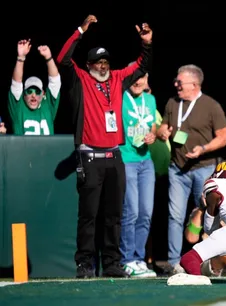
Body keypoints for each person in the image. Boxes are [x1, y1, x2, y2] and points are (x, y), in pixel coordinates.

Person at [57, 14, 152, 278]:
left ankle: (111, 263)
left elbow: (142, 67)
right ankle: (85, 264)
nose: (102, 65)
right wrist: (80, 30)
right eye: (97, 62)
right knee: (88, 216)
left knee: (114, 215)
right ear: (88, 65)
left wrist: (146, 44)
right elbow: (62, 58)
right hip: (89, 156)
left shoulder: (118, 79)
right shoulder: (81, 79)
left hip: (114, 157)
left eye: (105, 61)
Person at [156, 64, 226, 274]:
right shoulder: (172, 102)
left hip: (203, 168)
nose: (176, 85)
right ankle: (174, 263)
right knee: (175, 216)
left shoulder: (211, 106)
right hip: (177, 169)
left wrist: (203, 149)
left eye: (180, 82)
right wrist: (162, 133)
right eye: (176, 82)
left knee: (209, 215)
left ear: (195, 84)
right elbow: (164, 126)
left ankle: (209, 261)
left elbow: (223, 138)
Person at [119, 71, 157, 277]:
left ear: (147, 79)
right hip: (126, 159)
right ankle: (126, 259)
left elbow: (152, 125)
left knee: (145, 213)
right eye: (133, 79)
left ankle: (138, 258)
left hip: (146, 160)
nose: (137, 82)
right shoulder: (120, 97)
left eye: (141, 78)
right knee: (131, 211)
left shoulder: (150, 99)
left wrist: (152, 134)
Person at [9, 39, 61, 135]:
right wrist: (21, 57)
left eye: (37, 92)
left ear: (43, 94)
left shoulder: (48, 106)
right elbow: (16, 83)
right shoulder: (18, 107)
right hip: (23, 150)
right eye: (29, 91)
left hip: (47, 150)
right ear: (23, 94)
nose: (33, 95)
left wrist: (49, 58)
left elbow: (55, 81)